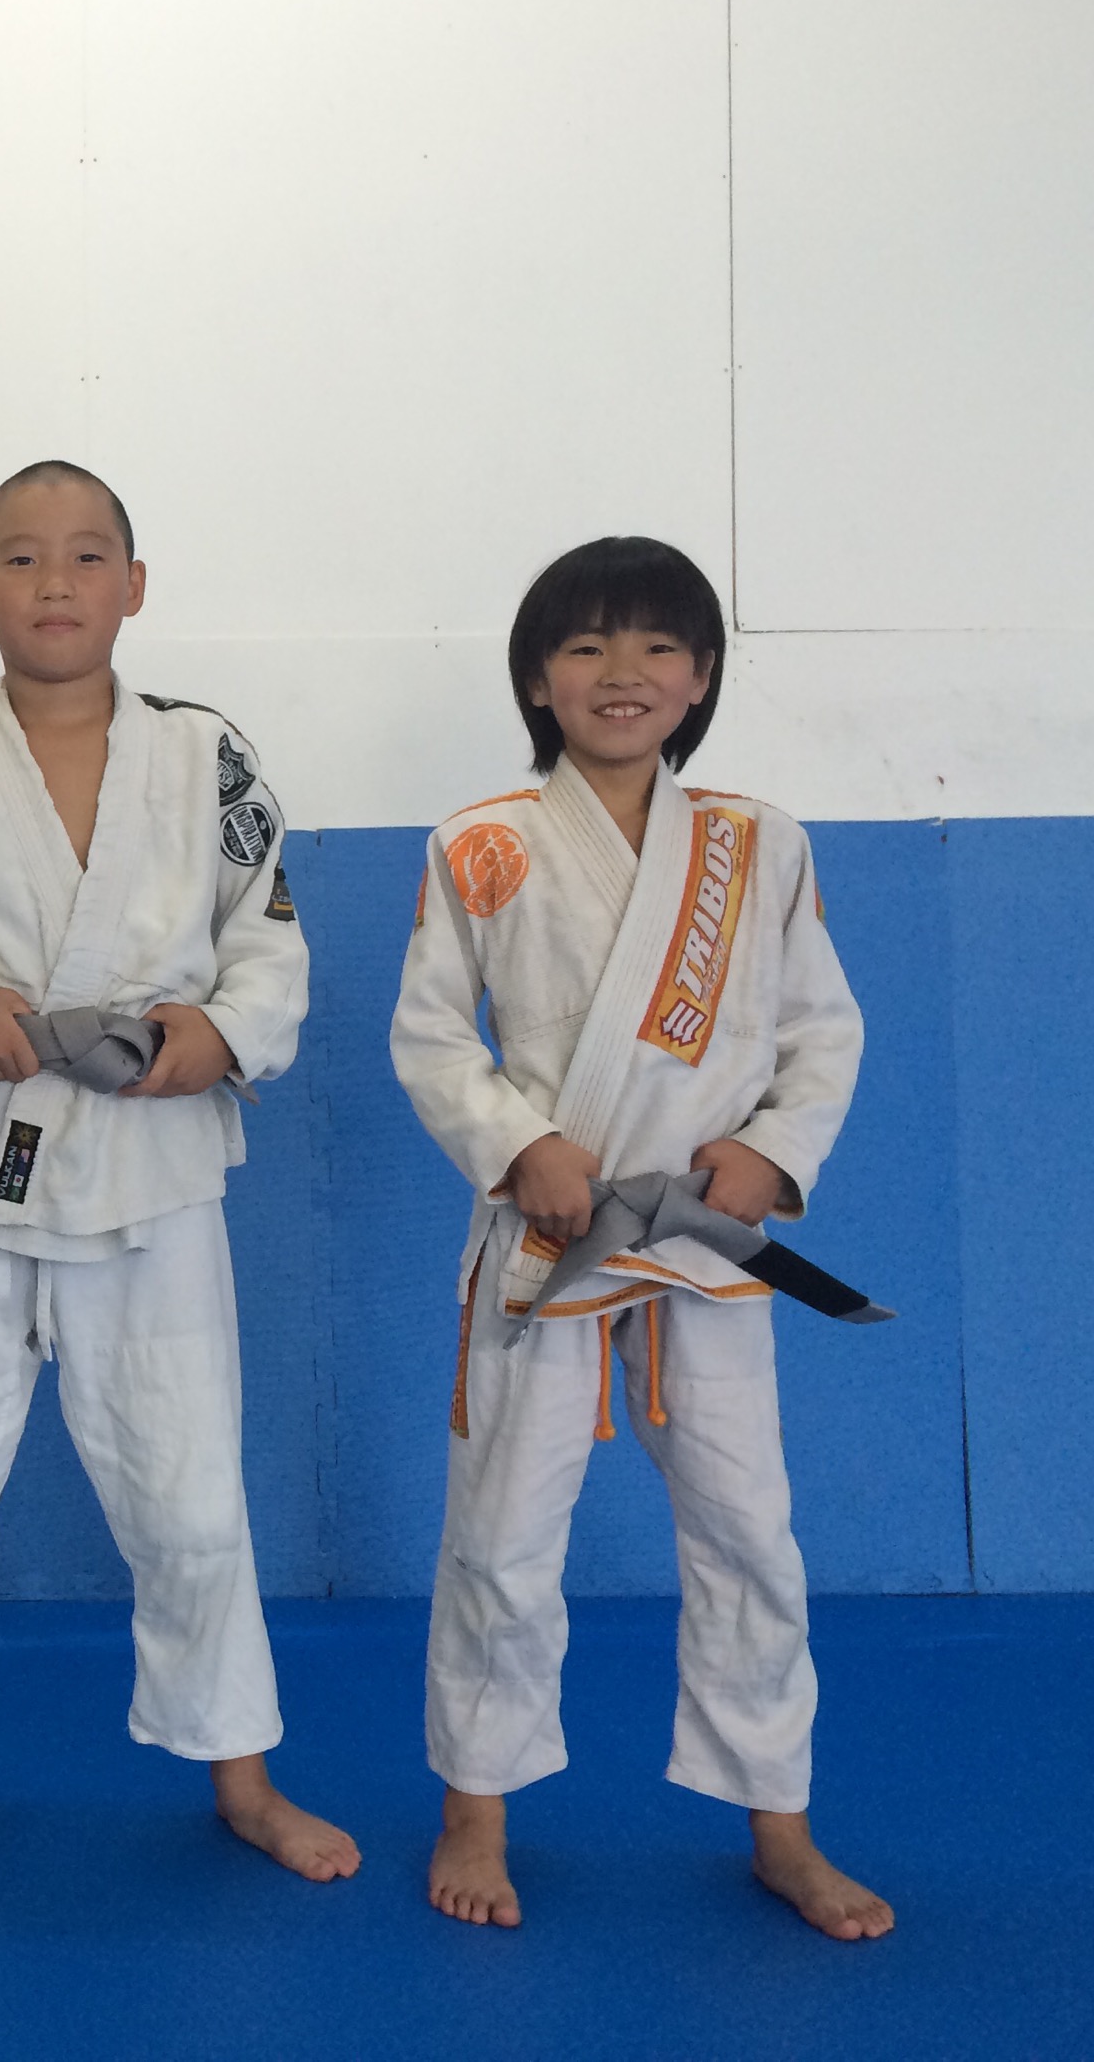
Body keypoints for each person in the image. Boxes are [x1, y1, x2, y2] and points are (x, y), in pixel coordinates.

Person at [0, 461, 359, 1883]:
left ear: (135, 586)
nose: (57, 582)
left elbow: (270, 945)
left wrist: (214, 1036)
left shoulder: (208, 755)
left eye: (90, 555)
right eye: (24, 558)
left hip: (151, 1175)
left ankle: (240, 1773)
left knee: (191, 1498)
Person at [390, 535, 893, 1940]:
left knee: (749, 1531)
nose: (625, 672)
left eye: (659, 646)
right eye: (588, 646)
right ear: (536, 680)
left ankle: (779, 1821)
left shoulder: (758, 842)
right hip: (546, 1233)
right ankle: (476, 1805)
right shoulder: (481, 841)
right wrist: (519, 1144)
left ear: (703, 677)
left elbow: (823, 1030)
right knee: (503, 1531)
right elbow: (431, 1036)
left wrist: (773, 1153)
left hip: (706, 1245)